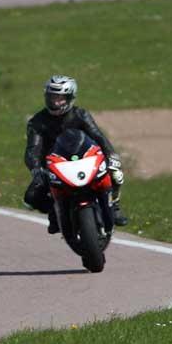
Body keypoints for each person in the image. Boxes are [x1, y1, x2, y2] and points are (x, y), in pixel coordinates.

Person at [24, 75, 129, 234]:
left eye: (60, 98)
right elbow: (32, 150)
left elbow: (98, 136)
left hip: (85, 159)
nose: (55, 102)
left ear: (70, 97)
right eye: (52, 97)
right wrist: (36, 170)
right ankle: (56, 212)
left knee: (115, 173)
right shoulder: (37, 122)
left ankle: (114, 206)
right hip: (55, 165)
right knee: (31, 197)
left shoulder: (80, 114)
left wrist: (111, 156)